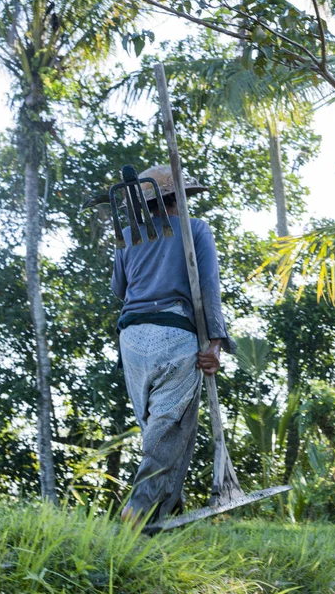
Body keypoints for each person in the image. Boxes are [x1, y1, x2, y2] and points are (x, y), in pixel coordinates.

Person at [111, 165, 235, 524]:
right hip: (175, 334)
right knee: (170, 429)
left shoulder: (128, 236)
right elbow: (209, 287)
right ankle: (137, 508)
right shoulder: (195, 229)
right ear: (176, 200)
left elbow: (120, 289)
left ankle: (163, 513)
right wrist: (214, 344)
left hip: (131, 340)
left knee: (165, 429)